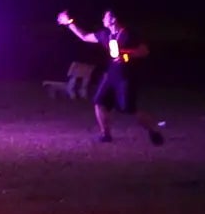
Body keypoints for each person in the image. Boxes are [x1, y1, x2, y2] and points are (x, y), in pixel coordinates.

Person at [56, 9, 163, 146]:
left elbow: (144, 51)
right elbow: (84, 37)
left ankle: (153, 130)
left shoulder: (128, 34)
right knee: (99, 102)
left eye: (105, 17)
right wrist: (69, 23)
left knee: (128, 109)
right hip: (110, 74)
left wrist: (126, 55)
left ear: (113, 19)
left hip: (126, 76)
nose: (102, 20)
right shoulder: (105, 34)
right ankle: (105, 134)